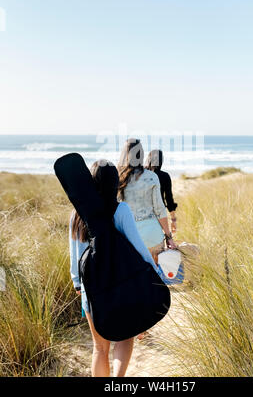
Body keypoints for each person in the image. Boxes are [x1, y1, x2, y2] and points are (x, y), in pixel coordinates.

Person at [69, 159, 160, 377]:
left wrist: (77, 284)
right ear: (114, 182)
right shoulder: (120, 210)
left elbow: (74, 255)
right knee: (124, 337)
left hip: (91, 288)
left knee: (99, 348)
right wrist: (154, 274)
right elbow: (138, 247)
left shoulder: (77, 214)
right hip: (121, 285)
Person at [117, 139, 177, 265]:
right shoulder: (151, 176)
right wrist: (168, 237)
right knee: (155, 280)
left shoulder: (118, 178)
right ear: (141, 155)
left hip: (127, 238)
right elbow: (159, 209)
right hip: (152, 237)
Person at [145, 149, 178, 234]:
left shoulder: (140, 174)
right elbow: (169, 199)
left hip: (141, 214)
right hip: (159, 214)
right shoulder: (165, 176)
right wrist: (173, 220)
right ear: (161, 160)